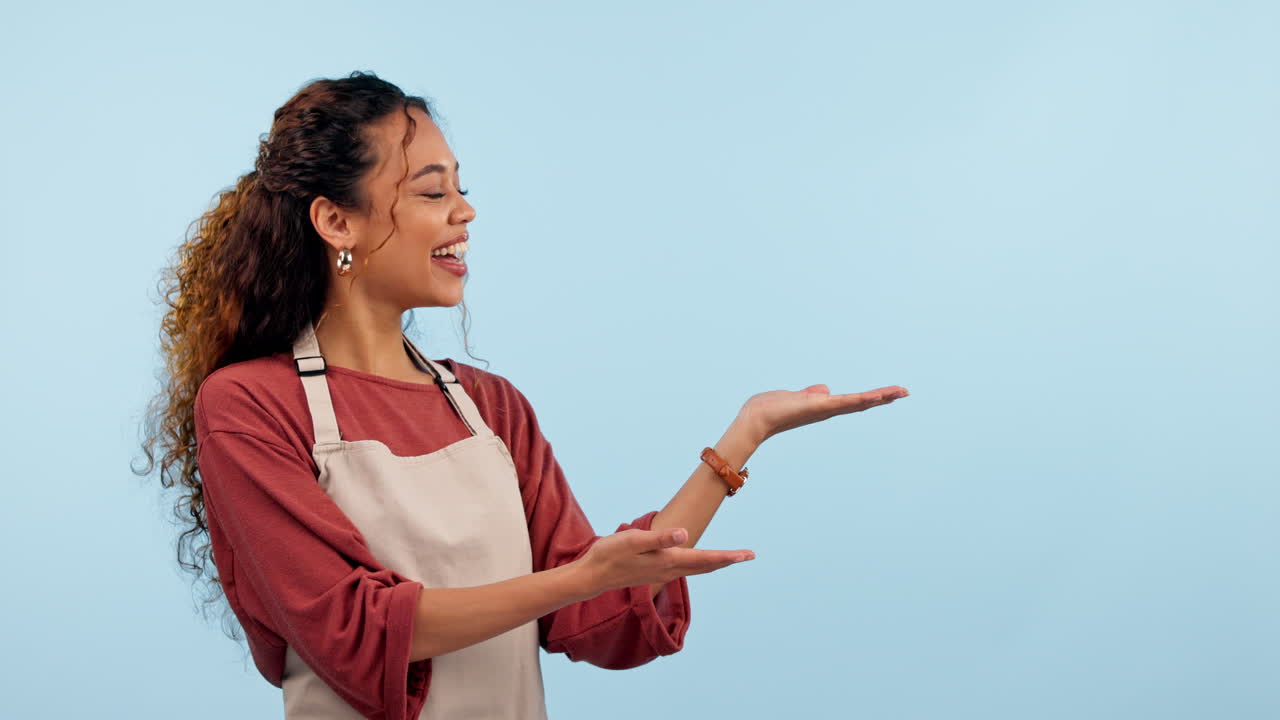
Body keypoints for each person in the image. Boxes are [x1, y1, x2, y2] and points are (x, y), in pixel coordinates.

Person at [136, 70, 909, 720]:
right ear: (336, 220)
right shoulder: (249, 406)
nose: (464, 213)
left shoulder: (490, 407)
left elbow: (600, 611)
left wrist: (743, 438)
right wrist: (582, 578)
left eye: (462, 190)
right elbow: (357, 628)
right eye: (432, 192)